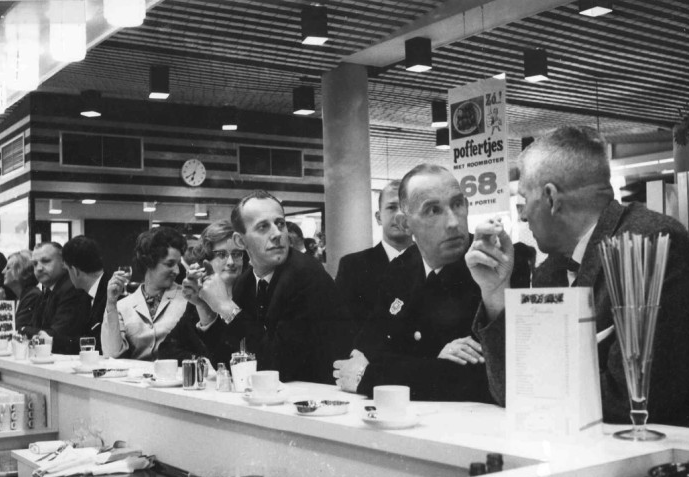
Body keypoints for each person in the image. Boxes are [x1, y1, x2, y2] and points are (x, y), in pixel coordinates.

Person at [466, 125, 689, 429]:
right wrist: (495, 293)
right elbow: (509, 390)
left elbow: (633, 399)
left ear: (550, 198)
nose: (522, 217)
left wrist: (535, 389)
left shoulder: (646, 243)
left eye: (523, 201)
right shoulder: (550, 271)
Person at [333, 164, 494, 402]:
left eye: (457, 204)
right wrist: (433, 362)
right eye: (433, 210)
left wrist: (374, 375)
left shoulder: (490, 264)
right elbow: (366, 347)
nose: (452, 222)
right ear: (406, 224)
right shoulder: (402, 268)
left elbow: (477, 377)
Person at [193, 190, 352, 383]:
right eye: (263, 227)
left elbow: (278, 368)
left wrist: (227, 308)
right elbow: (228, 365)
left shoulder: (306, 274)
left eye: (280, 224)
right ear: (240, 241)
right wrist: (204, 309)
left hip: (318, 399)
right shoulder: (246, 282)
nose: (277, 234)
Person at [158, 220, 244, 362]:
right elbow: (167, 350)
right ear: (206, 260)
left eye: (236, 254)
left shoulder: (251, 295)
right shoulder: (198, 299)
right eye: (222, 255)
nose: (231, 262)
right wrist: (201, 360)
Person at [335, 180, 413, 330]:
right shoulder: (353, 266)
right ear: (378, 217)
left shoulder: (431, 261)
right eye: (391, 207)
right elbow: (341, 324)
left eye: (405, 208)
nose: (399, 214)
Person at [101, 227, 187, 360]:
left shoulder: (188, 299)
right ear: (149, 263)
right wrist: (111, 304)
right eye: (170, 264)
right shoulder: (123, 306)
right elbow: (112, 354)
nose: (176, 270)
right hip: (136, 380)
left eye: (178, 264)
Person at [19, 242, 90, 353]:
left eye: (45, 261)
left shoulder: (71, 288)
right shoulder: (47, 290)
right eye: (34, 264)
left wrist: (25, 330)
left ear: (63, 263)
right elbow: (35, 329)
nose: (39, 268)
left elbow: (54, 336)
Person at [62, 236, 111, 354]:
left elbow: (97, 342)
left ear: (75, 271)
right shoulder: (84, 295)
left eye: (67, 270)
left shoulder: (111, 293)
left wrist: (54, 341)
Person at [2, 250, 41, 332]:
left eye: (8, 268)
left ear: (22, 271)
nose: (3, 272)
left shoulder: (32, 296)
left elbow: (13, 329)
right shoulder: (20, 297)